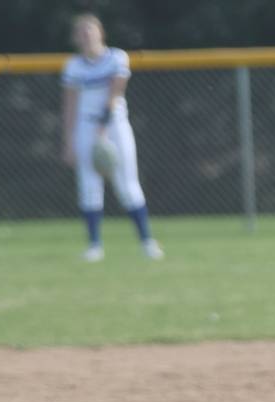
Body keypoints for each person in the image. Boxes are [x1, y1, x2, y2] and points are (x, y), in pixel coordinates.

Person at [61, 13, 164, 262]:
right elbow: (70, 105)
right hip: (85, 128)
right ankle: (94, 246)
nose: (87, 35)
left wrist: (102, 129)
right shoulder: (73, 66)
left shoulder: (117, 57)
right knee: (89, 186)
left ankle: (146, 241)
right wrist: (68, 141)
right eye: (82, 31)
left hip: (115, 126)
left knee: (127, 184)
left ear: (101, 33)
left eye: (91, 30)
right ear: (76, 37)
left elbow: (115, 92)